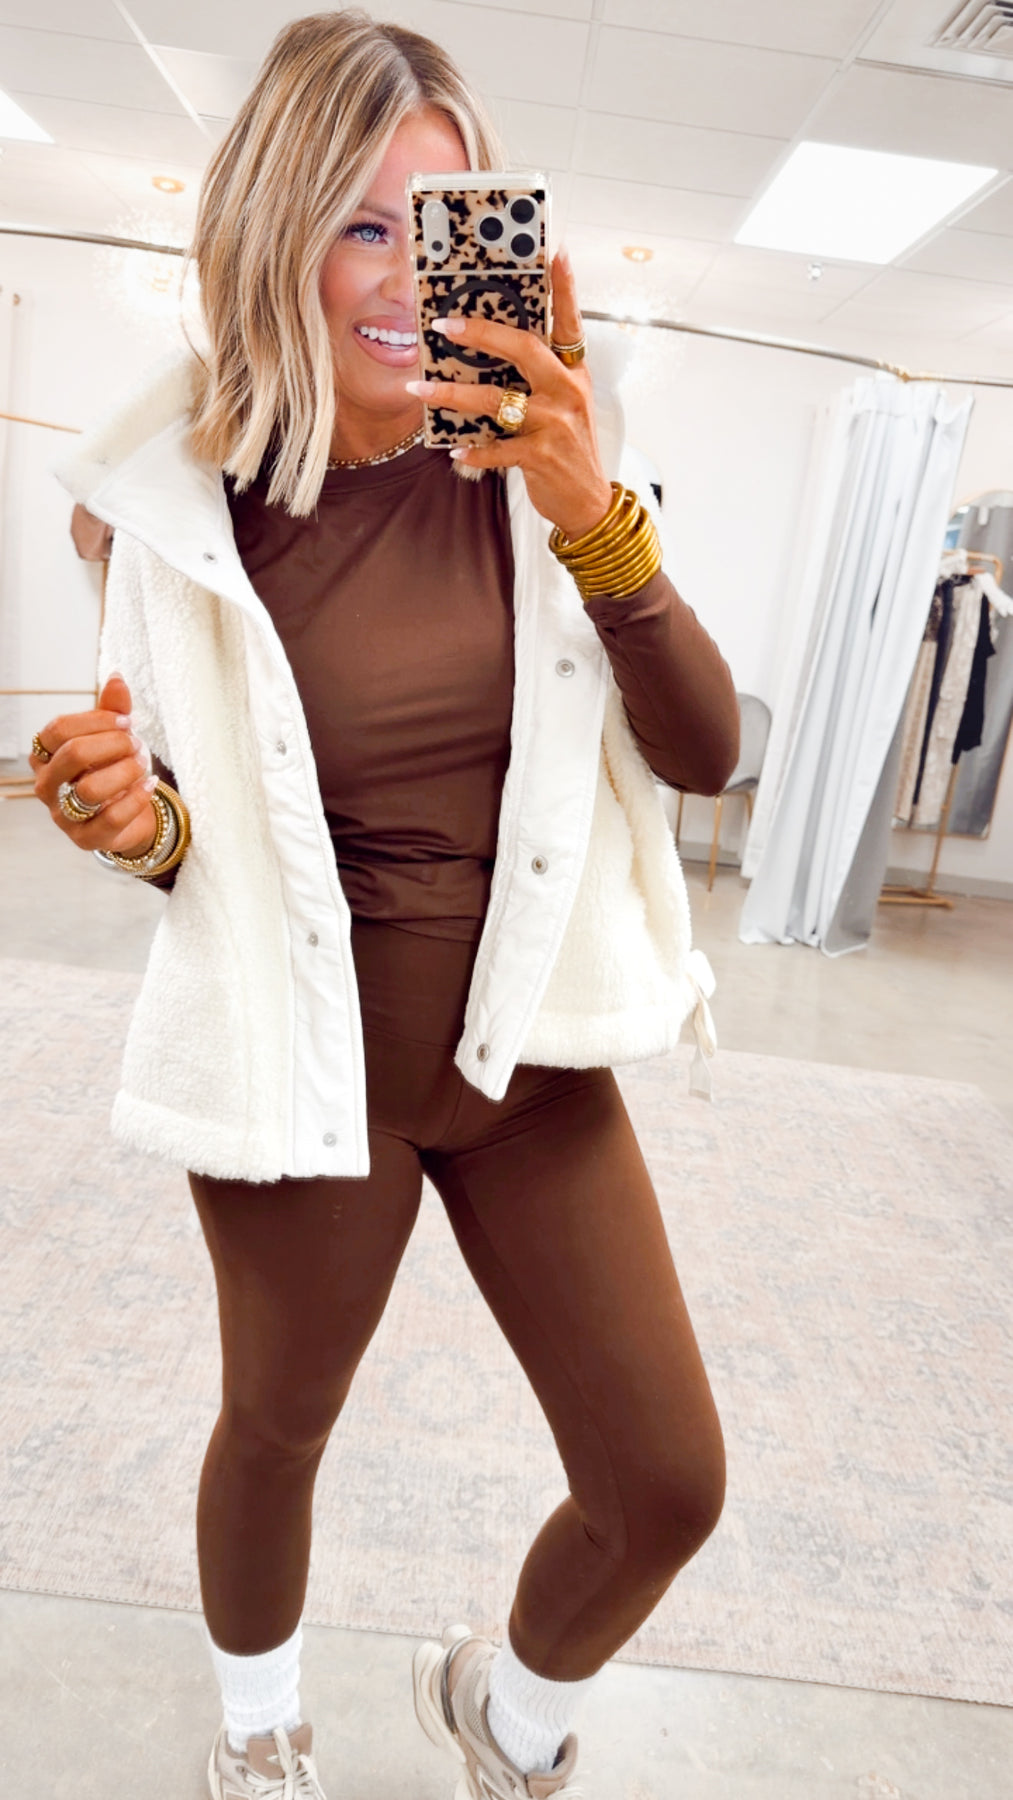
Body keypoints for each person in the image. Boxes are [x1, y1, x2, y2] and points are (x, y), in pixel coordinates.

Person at [30, 12, 739, 1799]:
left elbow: (701, 753)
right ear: (274, 233)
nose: (411, 277)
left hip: (525, 1064)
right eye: (361, 225)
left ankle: (509, 1711)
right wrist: (132, 824)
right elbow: (188, 830)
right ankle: (260, 1730)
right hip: (300, 1069)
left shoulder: (539, 473)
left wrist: (592, 513)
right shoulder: (164, 515)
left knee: (665, 1482)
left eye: (441, 224)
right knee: (279, 1425)